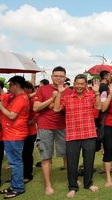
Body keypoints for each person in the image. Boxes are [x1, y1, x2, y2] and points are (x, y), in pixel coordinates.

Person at [53, 74, 101, 198]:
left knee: (89, 162)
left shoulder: (91, 96)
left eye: (82, 84)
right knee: (72, 163)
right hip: (72, 135)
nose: (79, 86)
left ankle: (88, 184)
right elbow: (56, 109)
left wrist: (96, 93)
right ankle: (73, 187)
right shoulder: (67, 97)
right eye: (77, 83)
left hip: (89, 134)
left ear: (85, 85)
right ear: (74, 83)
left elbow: (99, 107)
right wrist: (59, 93)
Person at [33, 66, 72, 195]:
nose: (58, 78)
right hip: (45, 126)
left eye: (61, 76)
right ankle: (48, 186)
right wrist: (52, 98)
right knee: (46, 157)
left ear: (65, 78)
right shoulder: (43, 89)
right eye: (56, 76)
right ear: (51, 77)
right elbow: (36, 107)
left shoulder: (69, 91)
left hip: (63, 126)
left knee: (68, 154)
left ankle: (71, 181)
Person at [0, 76, 29, 199]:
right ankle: (14, 184)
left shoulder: (20, 99)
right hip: (11, 133)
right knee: (14, 162)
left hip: (14, 135)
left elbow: (11, 116)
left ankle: (18, 187)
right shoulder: (18, 98)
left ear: (16, 85)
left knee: (15, 162)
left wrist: (0, 106)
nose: (9, 87)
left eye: (10, 85)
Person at [23, 82, 37, 184]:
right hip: (20, 131)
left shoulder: (32, 101)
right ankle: (20, 175)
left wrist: (32, 121)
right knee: (21, 155)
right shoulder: (20, 100)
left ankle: (28, 175)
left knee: (27, 154)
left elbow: (37, 113)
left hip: (30, 132)